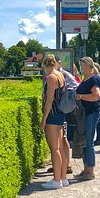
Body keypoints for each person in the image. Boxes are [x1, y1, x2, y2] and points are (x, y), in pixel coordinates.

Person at [39, 54, 69, 190]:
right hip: (61, 114)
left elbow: (49, 100)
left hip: (52, 115)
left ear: (45, 65)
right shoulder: (60, 75)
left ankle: (56, 180)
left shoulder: (51, 77)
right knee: (61, 147)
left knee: (54, 148)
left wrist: (43, 119)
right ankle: (63, 178)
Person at [74, 56, 100, 181]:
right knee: (86, 141)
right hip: (86, 113)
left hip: (92, 112)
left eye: (82, 65)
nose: (81, 68)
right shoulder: (86, 79)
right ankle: (86, 169)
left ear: (87, 66)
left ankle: (90, 171)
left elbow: (96, 96)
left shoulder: (93, 79)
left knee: (89, 142)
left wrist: (80, 96)